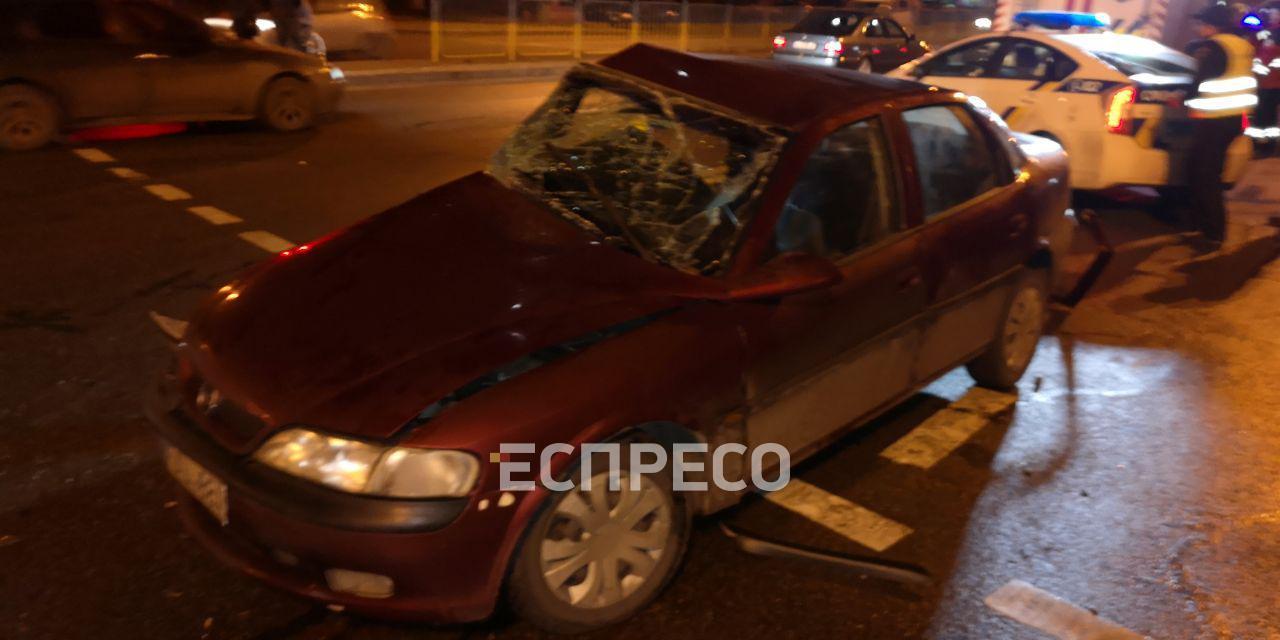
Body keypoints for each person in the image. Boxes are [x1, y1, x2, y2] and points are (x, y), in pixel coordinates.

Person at [1181, 3, 1258, 245]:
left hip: (1215, 119)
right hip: (1233, 118)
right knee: (1206, 170)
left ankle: (1212, 232)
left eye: (1201, 24)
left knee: (1204, 174)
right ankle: (1203, 226)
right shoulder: (1241, 45)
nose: (1198, 28)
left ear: (1210, 25)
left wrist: (1183, 99)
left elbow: (1201, 80)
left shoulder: (1214, 46)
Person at [1256, 16, 1280, 155]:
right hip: (1269, 84)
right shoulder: (1270, 33)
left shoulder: (1270, 35)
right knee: (1268, 117)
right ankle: (1268, 147)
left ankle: (1264, 147)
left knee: (1265, 116)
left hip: (1268, 85)